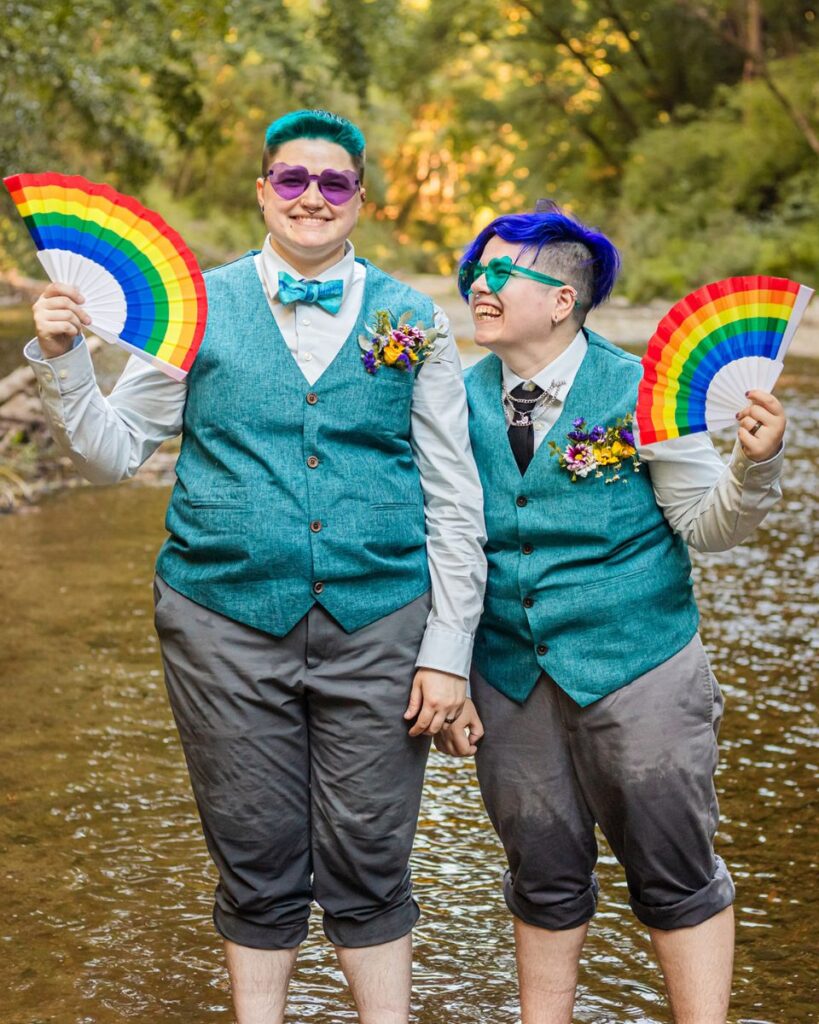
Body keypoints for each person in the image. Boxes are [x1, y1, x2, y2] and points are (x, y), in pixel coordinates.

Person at [25, 109, 486, 1024]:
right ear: (262, 192)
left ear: (361, 198)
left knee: (372, 849)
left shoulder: (415, 320)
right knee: (254, 847)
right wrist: (62, 356)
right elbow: (116, 453)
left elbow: (453, 491)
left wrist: (447, 648)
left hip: (380, 622)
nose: (311, 197)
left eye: (333, 182)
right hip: (222, 622)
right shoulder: (195, 307)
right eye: (291, 180)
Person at [435, 207, 786, 1024]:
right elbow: (439, 544)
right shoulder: (450, 399)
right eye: (473, 274)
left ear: (560, 299)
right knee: (541, 873)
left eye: (498, 275)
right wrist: (446, 672)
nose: (475, 288)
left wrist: (754, 465)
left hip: (640, 671)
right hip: (508, 677)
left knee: (674, 872)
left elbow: (707, 524)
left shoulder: (644, 391)